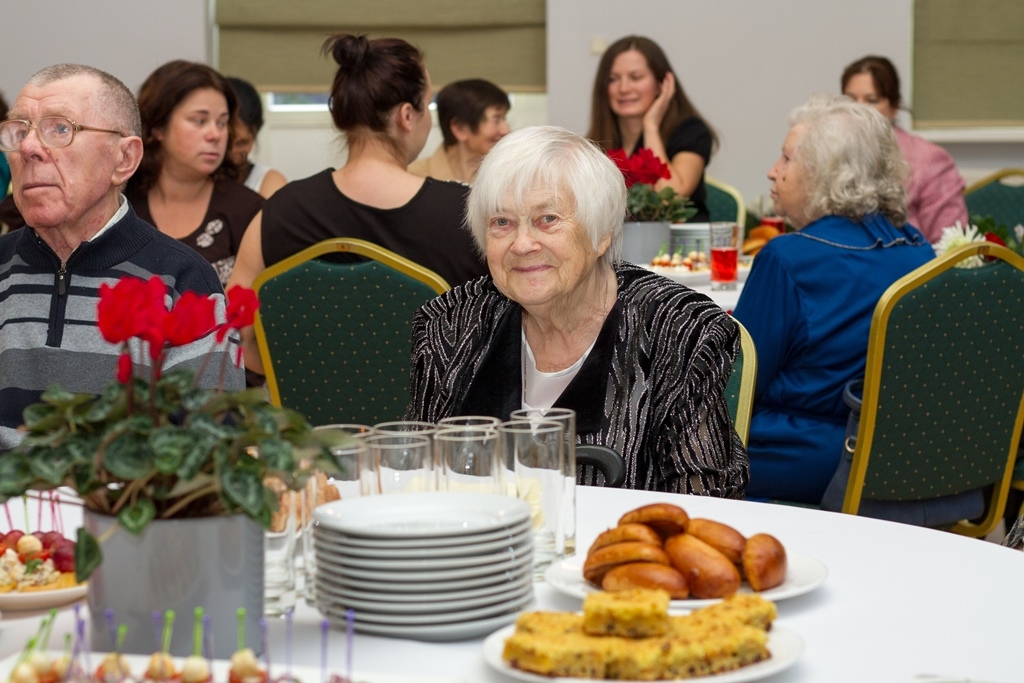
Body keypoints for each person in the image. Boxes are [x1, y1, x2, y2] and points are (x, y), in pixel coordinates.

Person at [405, 125, 748, 496]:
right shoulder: (452, 323)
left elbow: (704, 505)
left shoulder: (678, 332)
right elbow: (417, 475)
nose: (522, 244)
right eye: (501, 222)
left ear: (601, 233)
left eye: (547, 219)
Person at [0, 63, 243, 451]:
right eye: (18, 131)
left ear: (124, 159)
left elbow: (211, 445)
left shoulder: (182, 280)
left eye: (60, 129)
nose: (28, 148)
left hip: (125, 504)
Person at [229, 34, 488, 376]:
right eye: (427, 104)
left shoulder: (278, 213)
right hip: (438, 427)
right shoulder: (467, 214)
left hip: (310, 426)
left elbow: (236, 335)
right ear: (407, 116)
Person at [732, 94, 935, 504]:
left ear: (825, 173)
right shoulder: (919, 250)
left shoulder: (787, 259)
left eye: (787, 159)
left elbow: (735, 387)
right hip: (899, 456)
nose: (773, 172)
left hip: (804, 459)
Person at [126, 60, 263, 286]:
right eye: (199, 121)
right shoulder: (117, 203)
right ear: (158, 127)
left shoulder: (250, 212)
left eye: (222, 123)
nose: (215, 134)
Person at [587, 36, 717, 222]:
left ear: (661, 84)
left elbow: (671, 196)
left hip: (683, 248)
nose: (624, 88)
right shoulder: (595, 143)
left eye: (636, 77)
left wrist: (651, 126)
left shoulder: (691, 131)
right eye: (613, 79)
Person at [841, 55, 968, 243]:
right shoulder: (831, 154)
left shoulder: (929, 160)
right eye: (850, 100)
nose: (858, 110)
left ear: (894, 107)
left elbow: (948, 247)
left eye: (872, 100)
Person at [408, 78, 510, 184]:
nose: (506, 130)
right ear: (460, 128)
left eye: (504, 119)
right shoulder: (414, 177)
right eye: (496, 120)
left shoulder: (507, 177)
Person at [226, 76, 287, 198]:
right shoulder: (196, 181)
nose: (232, 152)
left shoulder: (269, 182)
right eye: (226, 143)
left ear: (255, 133)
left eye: (242, 143)